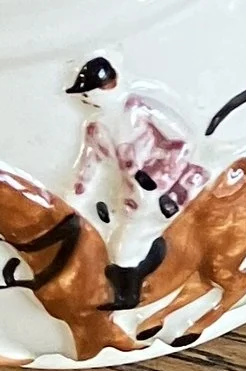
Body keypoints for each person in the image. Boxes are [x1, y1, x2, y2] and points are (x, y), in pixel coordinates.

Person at [66, 55, 208, 240]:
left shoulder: (138, 110)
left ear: (109, 87)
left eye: (89, 93)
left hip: (168, 183)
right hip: (132, 196)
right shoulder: (96, 130)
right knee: (125, 238)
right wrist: (79, 190)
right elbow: (89, 164)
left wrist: (165, 169)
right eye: (85, 95)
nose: (87, 99)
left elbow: (183, 137)